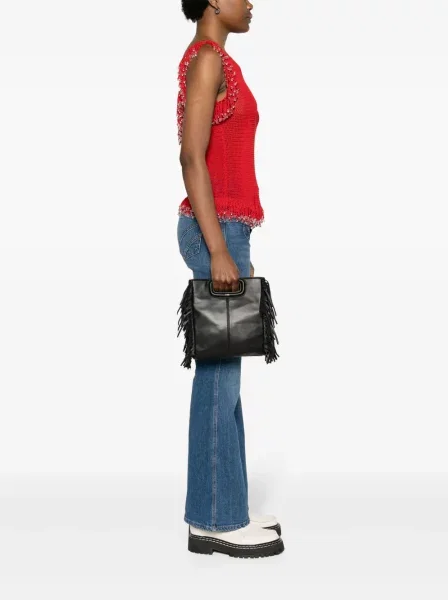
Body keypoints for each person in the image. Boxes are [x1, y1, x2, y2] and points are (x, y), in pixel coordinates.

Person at [176, 0, 284, 558]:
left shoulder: (216, 60)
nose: (252, 3)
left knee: (227, 375)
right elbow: (191, 157)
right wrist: (219, 248)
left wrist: (231, 246)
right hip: (214, 229)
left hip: (228, 230)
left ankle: (227, 503)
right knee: (219, 377)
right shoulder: (207, 59)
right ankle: (214, 519)